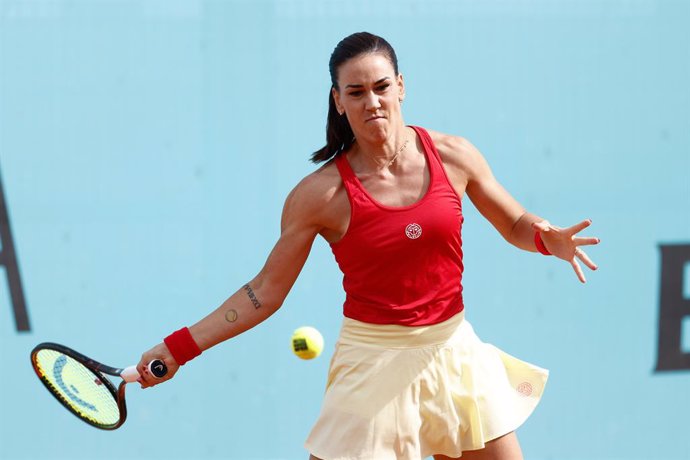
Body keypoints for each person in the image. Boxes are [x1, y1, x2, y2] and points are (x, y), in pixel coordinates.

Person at [137, 32, 599, 460]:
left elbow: (515, 221)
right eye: (355, 93)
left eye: (380, 87)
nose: (371, 102)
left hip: (455, 353)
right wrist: (178, 348)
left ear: (401, 86)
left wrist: (545, 237)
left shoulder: (454, 154)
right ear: (338, 101)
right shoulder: (318, 196)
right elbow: (264, 292)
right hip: (373, 363)